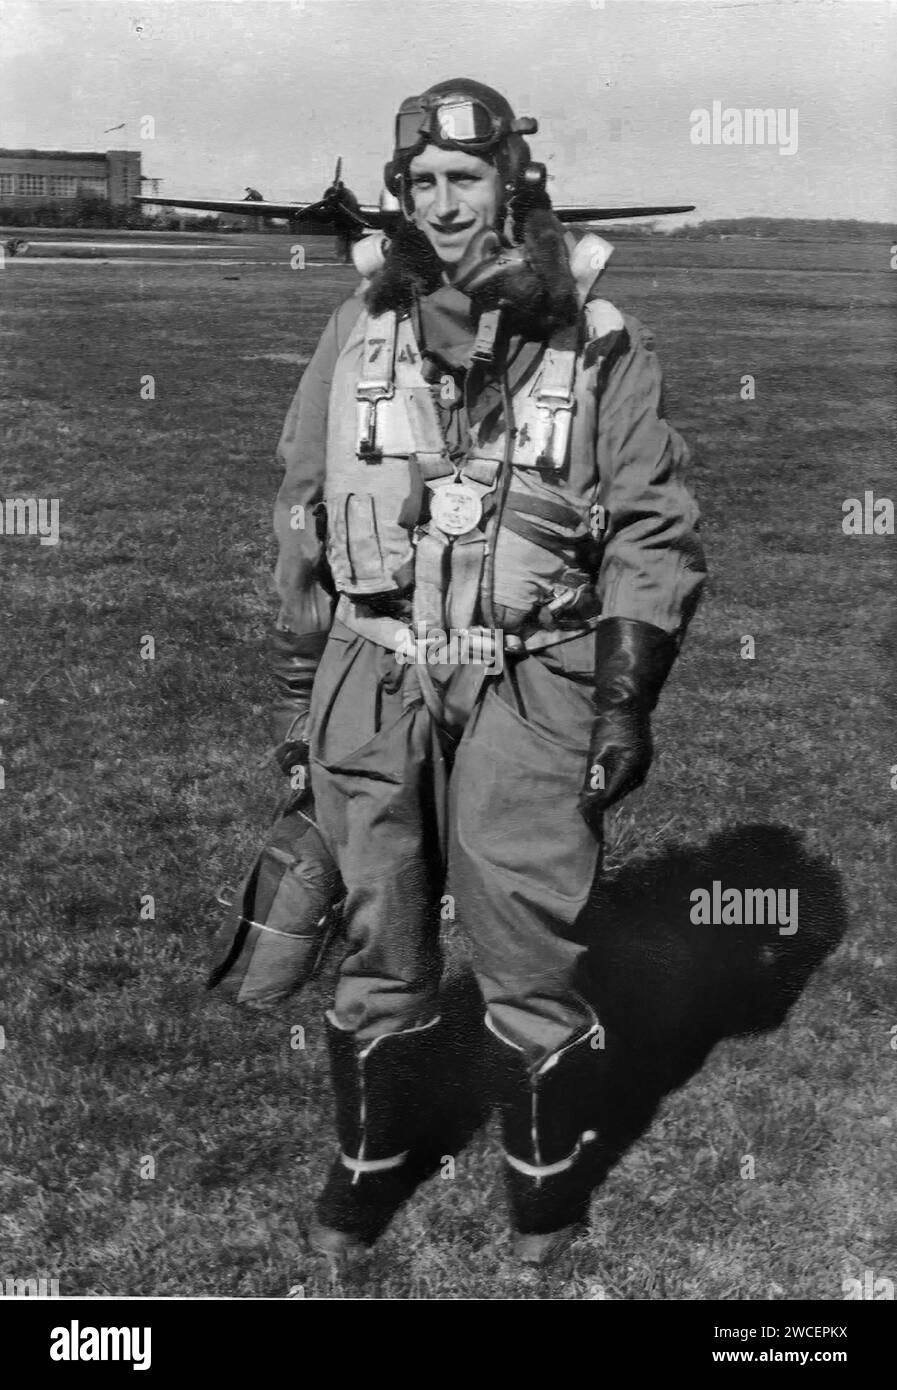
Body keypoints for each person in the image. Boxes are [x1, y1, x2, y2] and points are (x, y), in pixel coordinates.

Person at [269, 78, 707, 1267]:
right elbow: (304, 500)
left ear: (511, 181)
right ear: (402, 193)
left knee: (527, 926)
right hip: (376, 664)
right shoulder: (361, 322)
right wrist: (300, 690)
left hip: (534, 668)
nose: (445, 204)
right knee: (378, 924)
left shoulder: (599, 333)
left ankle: (547, 1196)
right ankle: (364, 1172)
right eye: (423, 183)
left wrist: (625, 696)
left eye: (467, 179)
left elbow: (653, 529)